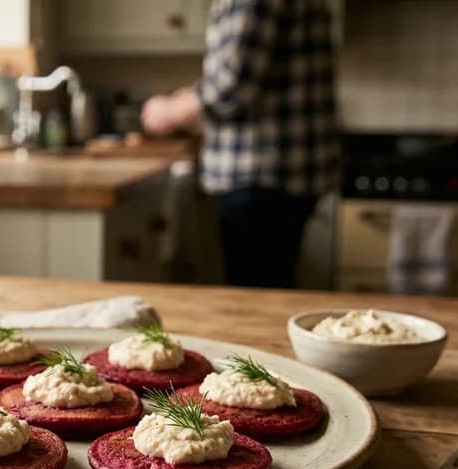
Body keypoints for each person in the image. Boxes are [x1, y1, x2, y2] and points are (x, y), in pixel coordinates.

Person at [142, 0, 338, 288]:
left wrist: (170, 109)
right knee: (271, 287)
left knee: (257, 293)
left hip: (261, 173)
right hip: (283, 169)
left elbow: (233, 85)